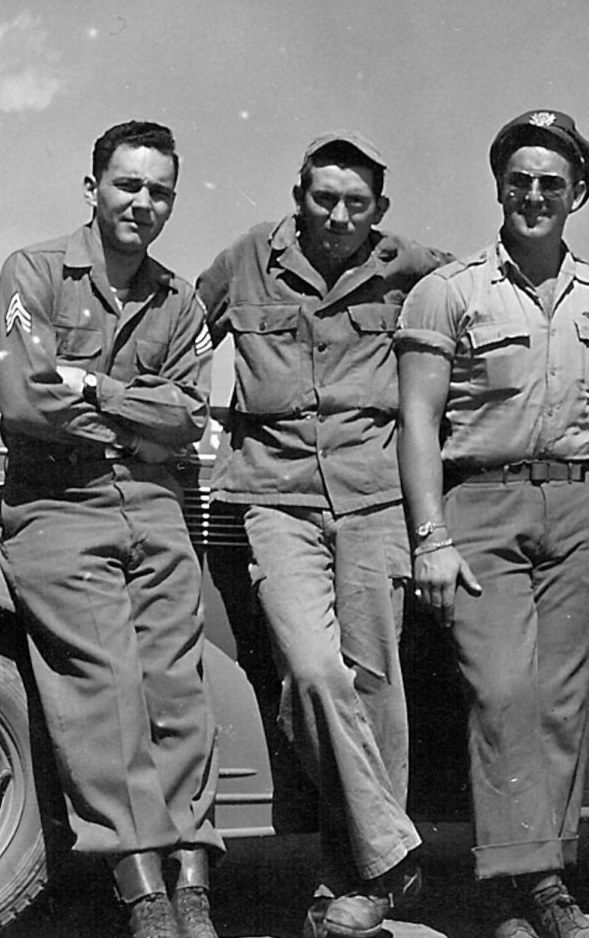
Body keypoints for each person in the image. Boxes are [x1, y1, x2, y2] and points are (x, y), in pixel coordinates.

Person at [196, 131, 450, 938]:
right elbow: (176, 333)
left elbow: (480, 316)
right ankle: (394, 855)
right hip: (277, 498)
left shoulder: (416, 268)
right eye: (324, 198)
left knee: (374, 683)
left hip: (376, 497)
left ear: (380, 209)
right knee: (310, 672)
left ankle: (352, 879)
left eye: (357, 203)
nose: (339, 216)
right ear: (298, 196)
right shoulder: (246, 260)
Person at [396, 109, 589, 938]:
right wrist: (431, 536)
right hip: (481, 502)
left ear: (578, 193)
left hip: (574, 506)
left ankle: (544, 885)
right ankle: (514, 886)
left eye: (552, 184)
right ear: (499, 186)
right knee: (501, 693)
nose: (534, 196)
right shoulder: (449, 291)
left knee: (562, 702)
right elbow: (418, 421)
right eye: (519, 181)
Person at [0, 120, 221, 938]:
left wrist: (95, 388)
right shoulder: (34, 271)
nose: (142, 203)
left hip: (154, 506)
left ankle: (193, 881)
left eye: (160, 191)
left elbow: (190, 417)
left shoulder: (180, 300)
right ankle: (141, 887)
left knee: (177, 687)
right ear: (93, 188)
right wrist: (135, 420)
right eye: (128, 184)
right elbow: (29, 401)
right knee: (106, 689)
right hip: (58, 505)